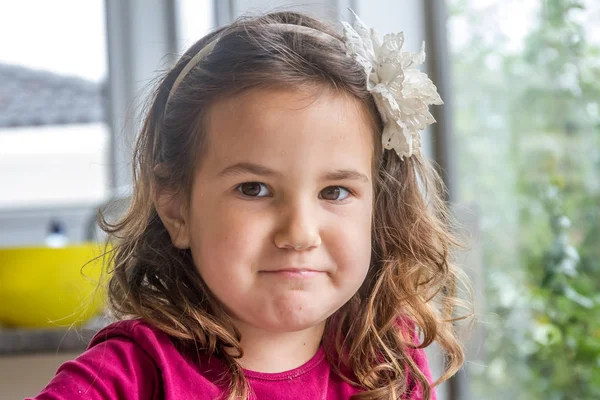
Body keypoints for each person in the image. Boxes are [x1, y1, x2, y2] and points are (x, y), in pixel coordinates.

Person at [29, 9, 469, 400]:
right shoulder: (130, 375)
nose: (299, 232)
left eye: (334, 192)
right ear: (176, 207)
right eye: (254, 189)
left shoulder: (387, 362)